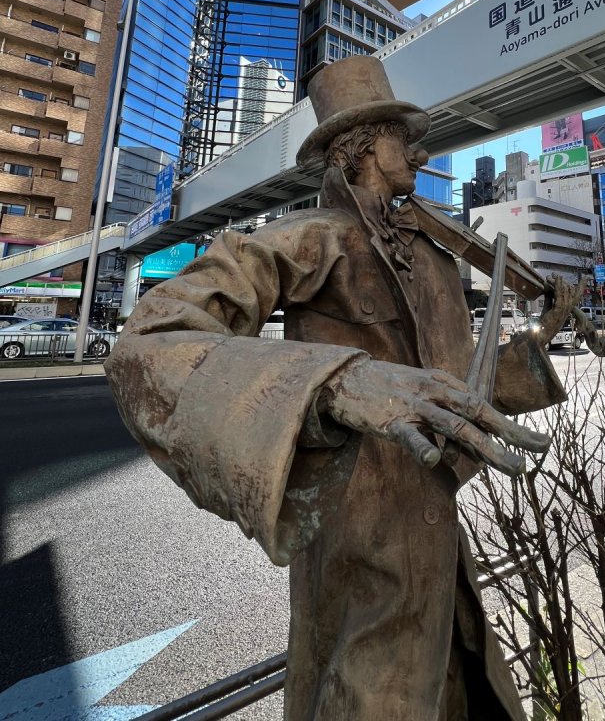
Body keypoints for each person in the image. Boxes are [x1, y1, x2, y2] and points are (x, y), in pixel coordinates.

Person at [106, 56, 580, 721]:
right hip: (358, 550)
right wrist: (332, 383)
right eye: (397, 137)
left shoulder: (436, 260)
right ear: (359, 150)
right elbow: (149, 342)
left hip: (439, 551)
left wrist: (543, 336)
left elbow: (455, 393)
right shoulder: (311, 237)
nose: (418, 151)